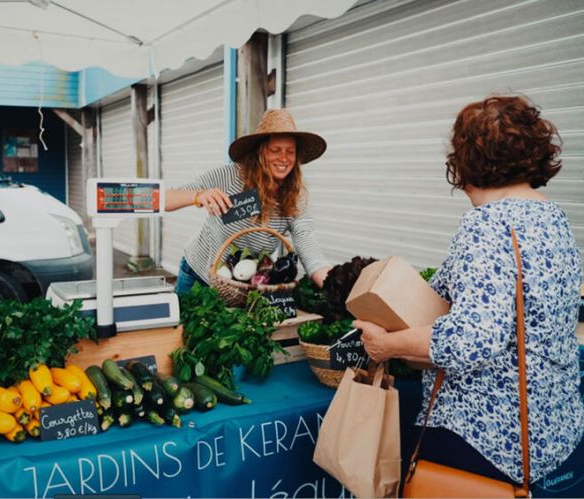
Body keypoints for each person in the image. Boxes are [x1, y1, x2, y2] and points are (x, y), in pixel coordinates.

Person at [355, 95, 584, 486]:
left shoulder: (487, 225)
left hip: (490, 440)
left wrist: (387, 346)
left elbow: (473, 339)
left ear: (466, 160)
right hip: (558, 433)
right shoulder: (553, 217)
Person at [165, 108, 332, 295]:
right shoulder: (230, 176)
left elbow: (308, 246)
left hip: (242, 286)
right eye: (275, 150)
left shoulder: (294, 195)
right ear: (261, 153)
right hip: (198, 277)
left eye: (290, 152)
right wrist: (198, 196)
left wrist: (334, 285)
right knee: (184, 325)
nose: (284, 158)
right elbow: (166, 199)